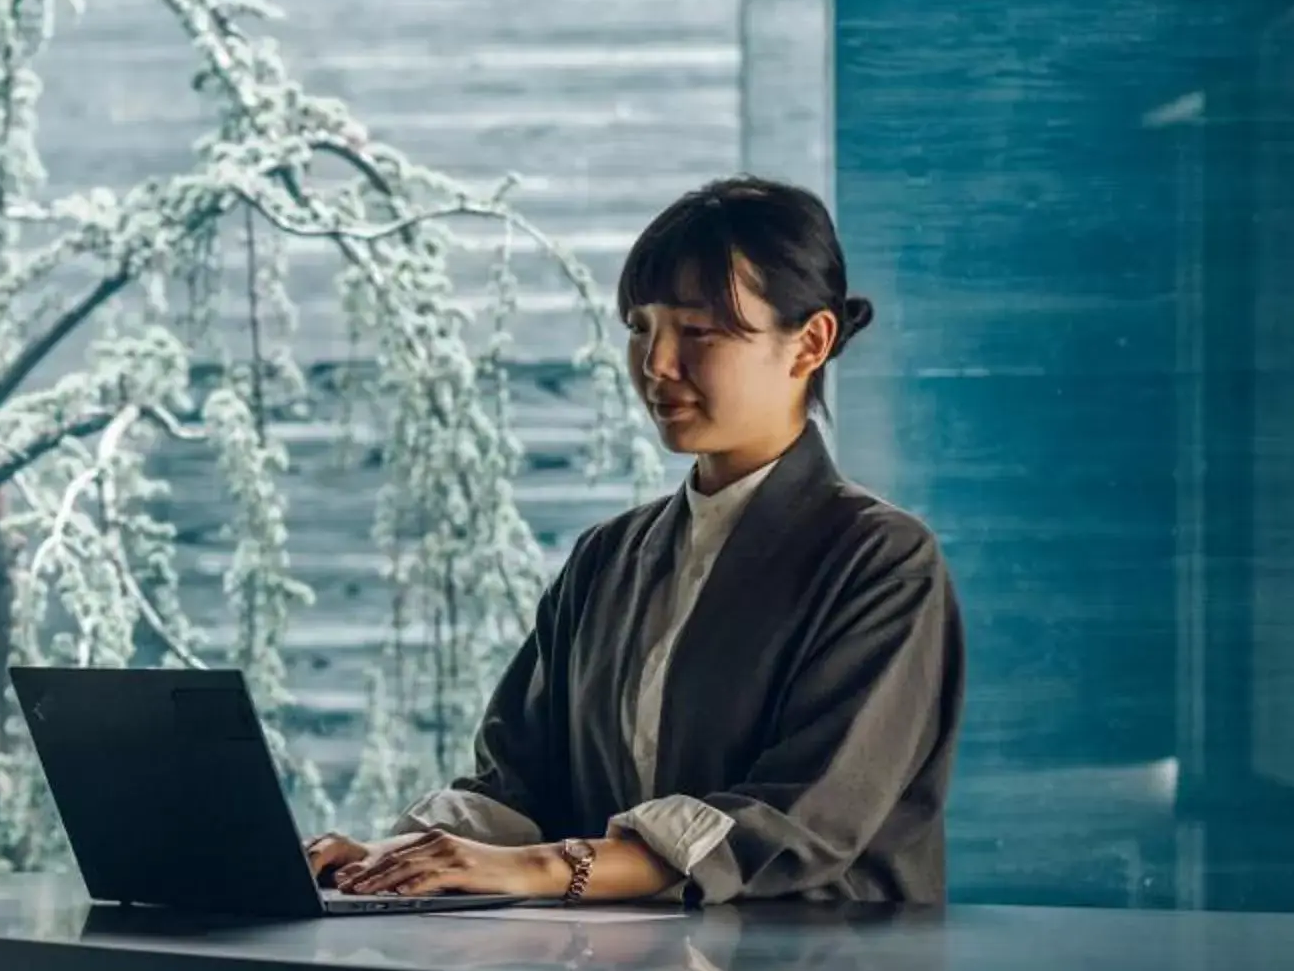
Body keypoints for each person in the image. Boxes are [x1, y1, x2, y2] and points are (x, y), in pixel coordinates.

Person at [304, 177, 963, 906]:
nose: (656, 364)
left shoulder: (882, 562)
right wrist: (388, 860)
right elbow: (518, 783)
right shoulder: (605, 559)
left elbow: (796, 818)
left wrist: (544, 869)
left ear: (809, 343)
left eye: (698, 332)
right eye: (641, 328)